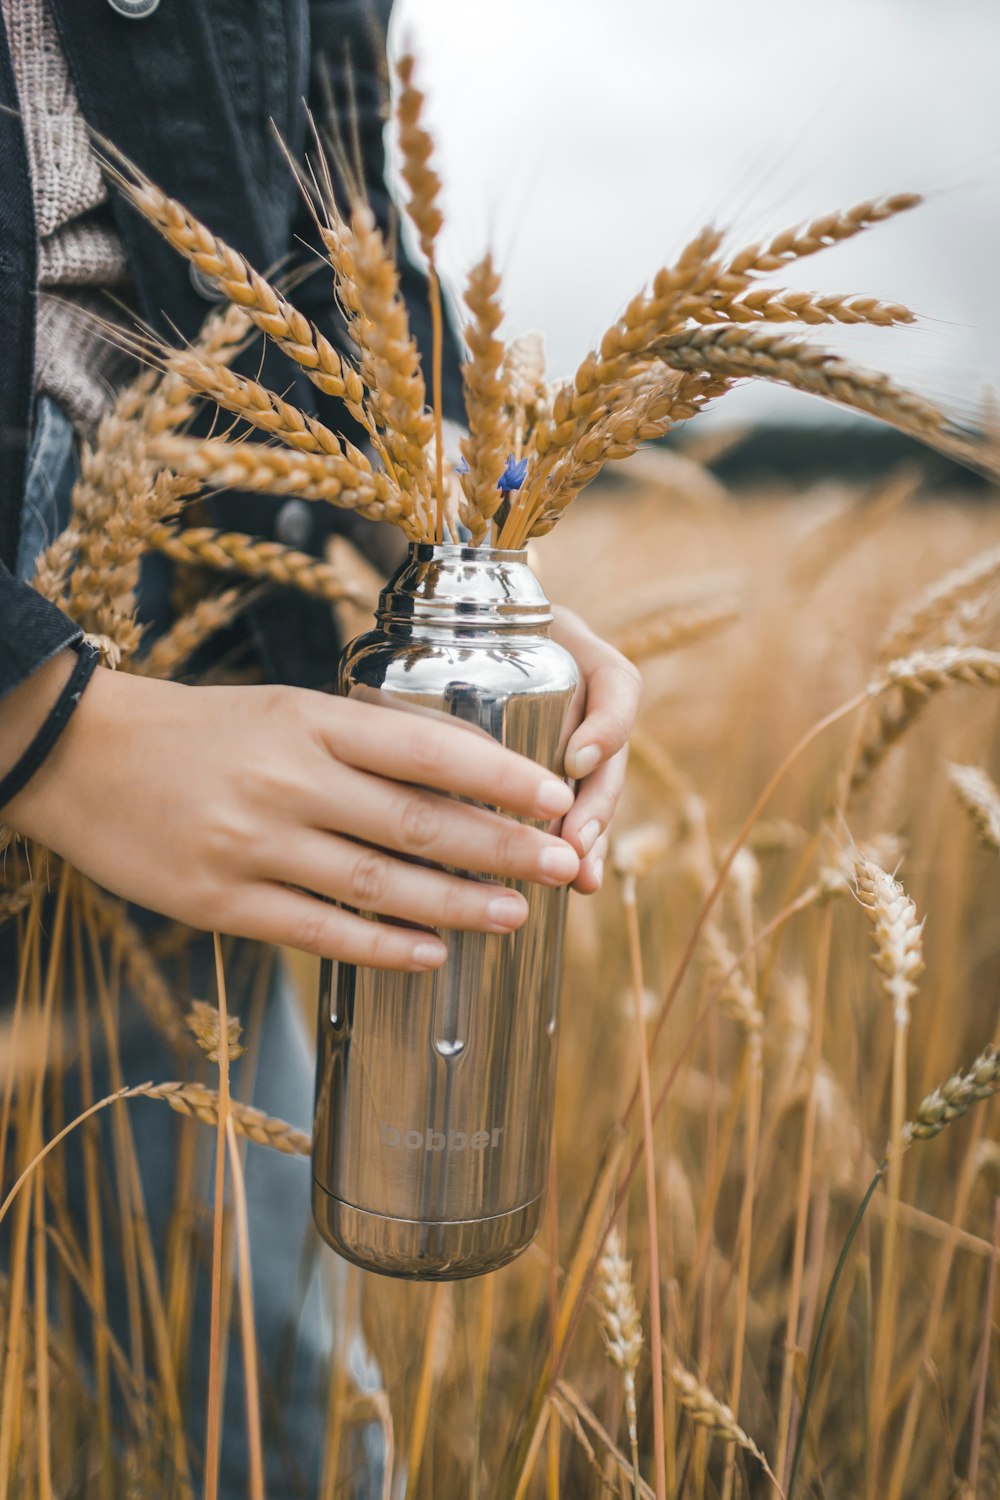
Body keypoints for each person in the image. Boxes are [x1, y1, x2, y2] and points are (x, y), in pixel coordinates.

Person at [0, 0, 639, 1493]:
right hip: (102, 733)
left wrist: (475, 580)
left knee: (275, 1414)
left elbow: (330, 235)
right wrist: (44, 723)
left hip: (186, 712)